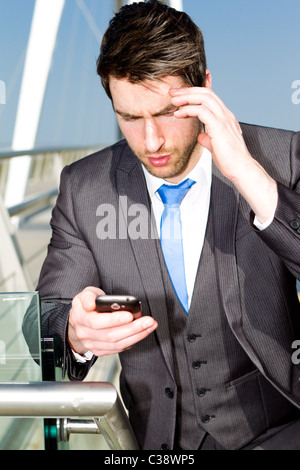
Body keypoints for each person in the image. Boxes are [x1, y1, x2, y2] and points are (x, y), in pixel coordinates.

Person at [24, 0, 300, 450]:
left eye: (167, 113)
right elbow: (44, 317)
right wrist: (72, 333)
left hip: (283, 429)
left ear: (205, 88)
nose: (151, 141)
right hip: (158, 444)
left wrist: (252, 179)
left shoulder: (282, 156)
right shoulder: (84, 188)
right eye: (129, 118)